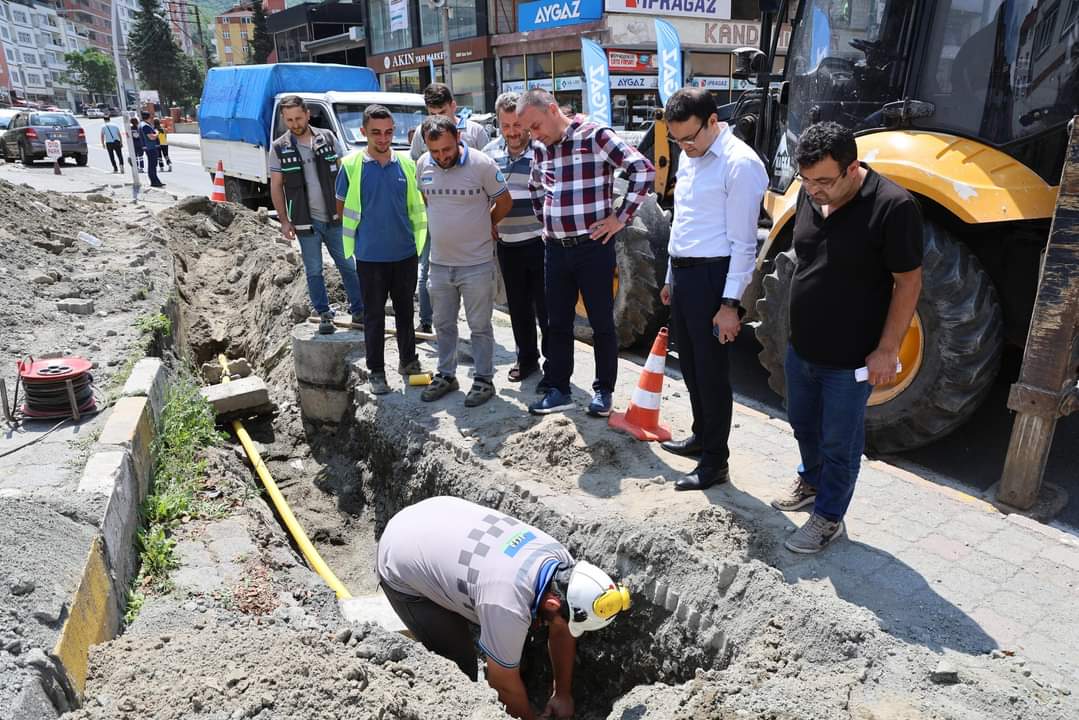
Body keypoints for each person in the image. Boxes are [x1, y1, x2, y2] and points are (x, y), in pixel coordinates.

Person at [772, 122, 923, 553]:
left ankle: (829, 516)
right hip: (802, 347)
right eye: (806, 180)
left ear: (852, 168)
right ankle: (811, 481)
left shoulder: (893, 208)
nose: (813, 190)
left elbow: (908, 283)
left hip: (852, 359)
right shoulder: (811, 193)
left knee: (841, 441)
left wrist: (887, 349)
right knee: (802, 422)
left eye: (823, 181)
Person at [377, 496, 631, 720]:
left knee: (517, 637)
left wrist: (562, 694)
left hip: (439, 516)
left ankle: (503, 652)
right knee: (460, 672)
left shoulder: (561, 562)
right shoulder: (506, 604)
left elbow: (562, 628)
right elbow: (503, 685)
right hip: (400, 551)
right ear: (554, 603)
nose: (569, 629)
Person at [657, 89, 769, 492]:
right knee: (688, 366)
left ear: (713, 122)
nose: (685, 147)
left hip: (713, 277)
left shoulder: (740, 165)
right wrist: (672, 276)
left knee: (711, 374)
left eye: (691, 138)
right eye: (677, 139)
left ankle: (715, 462)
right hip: (685, 274)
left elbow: (743, 243)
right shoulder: (691, 158)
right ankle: (701, 435)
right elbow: (684, 221)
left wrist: (730, 304)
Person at [518, 89, 655, 418]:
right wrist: (546, 219)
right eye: (529, 131)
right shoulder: (540, 146)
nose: (534, 135)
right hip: (555, 248)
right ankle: (559, 390)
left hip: (593, 248)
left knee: (601, 323)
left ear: (552, 109)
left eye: (536, 126)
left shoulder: (595, 136)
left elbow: (643, 170)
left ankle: (603, 391)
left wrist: (619, 219)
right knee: (557, 323)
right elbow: (536, 186)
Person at [416, 115, 512, 408]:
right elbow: (427, 199)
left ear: (457, 138)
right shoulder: (423, 165)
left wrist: (486, 223)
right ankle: (446, 375)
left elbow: (505, 201)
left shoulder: (481, 165)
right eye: (435, 152)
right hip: (440, 264)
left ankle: (483, 379)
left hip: (477, 264)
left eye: (446, 149)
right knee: (444, 324)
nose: (442, 156)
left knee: (479, 326)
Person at [335, 105, 428, 394]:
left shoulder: (407, 165)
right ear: (363, 132)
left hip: (405, 254)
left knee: (405, 313)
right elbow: (341, 209)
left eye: (388, 132)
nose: (383, 138)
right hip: (370, 257)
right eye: (376, 132)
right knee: (374, 315)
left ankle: (408, 360)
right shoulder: (351, 167)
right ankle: (376, 370)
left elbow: (417, 204)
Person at [268, 95, 364, 335]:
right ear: (283, 118)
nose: (295, 123)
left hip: (335, 218)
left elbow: (344, 175)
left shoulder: (328, 138)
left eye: (298, 118)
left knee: (348, 266)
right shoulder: (279, 147)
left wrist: (351, 211)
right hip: (303, 222)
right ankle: (324, 314)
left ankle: (360, 310)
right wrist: (284, 220)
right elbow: (276, 186)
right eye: (289, 120)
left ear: (307, 114)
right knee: (314, 270)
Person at [410, 83, 491, 336]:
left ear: (453, 106)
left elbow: (490, 173)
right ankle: (427, 321)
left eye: (442, 111)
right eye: (432, 114)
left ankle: (477, 328)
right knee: (428, 270)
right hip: (439, 217)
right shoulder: (421, 136)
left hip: (474, 218)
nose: (438, 118)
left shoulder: (475, 132)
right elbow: (420, 175)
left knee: (478, 277)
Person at [483, 93, 549, 389]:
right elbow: (481, 194)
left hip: (540, 243)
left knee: (547, 309)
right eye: (505, 125)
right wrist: (488, 221)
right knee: (518, 308)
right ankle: (526, 360)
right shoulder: (488, 154)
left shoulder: (542, 150)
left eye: (517, 125)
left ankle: (554, 364)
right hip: (507, 246)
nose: (512, 131)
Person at [138, 112, 164, 188]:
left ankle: (156, 180)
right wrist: (157, 133)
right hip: (151, 147)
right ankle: (154, 181)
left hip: (148, 147)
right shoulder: (145, 126)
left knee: (152, 164)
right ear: (149, 117)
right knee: (152, 165)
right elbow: (151, 137)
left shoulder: (141, 124)